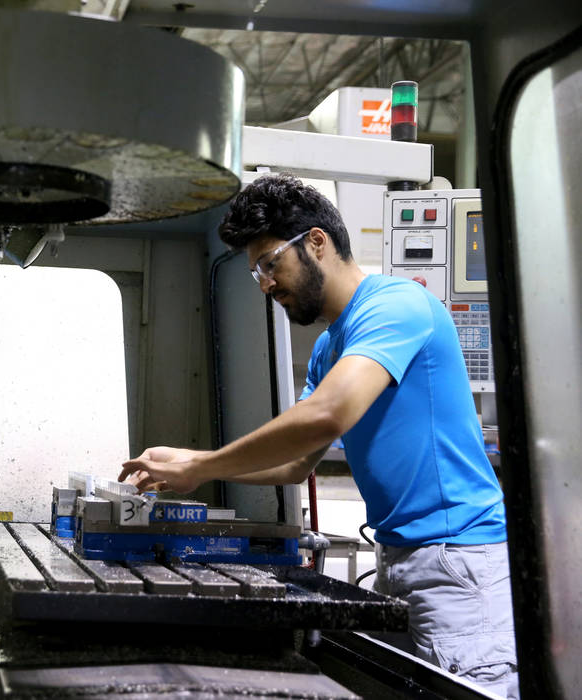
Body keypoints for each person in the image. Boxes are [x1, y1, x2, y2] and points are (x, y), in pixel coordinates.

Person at [119, 174, 518, 698]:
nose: (264, 283)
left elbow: (328, 415)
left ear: (316, 242)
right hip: (403, 561)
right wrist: (198, 468)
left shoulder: (396, 304)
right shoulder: (333, 345)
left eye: (269, 264)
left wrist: (201, 464)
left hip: (460, 562)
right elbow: (295, 463)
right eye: (255, 272)